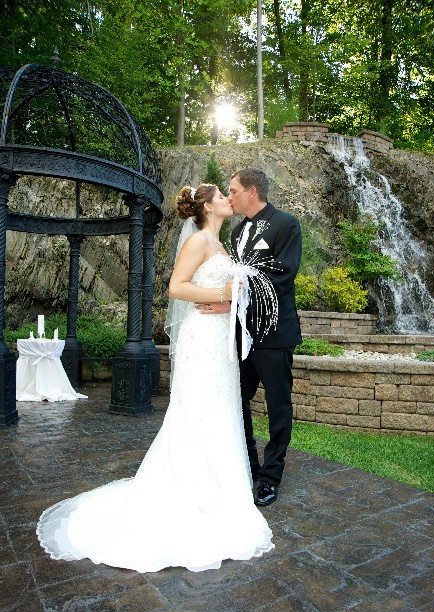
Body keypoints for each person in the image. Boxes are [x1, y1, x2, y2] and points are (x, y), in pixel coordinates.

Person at [36, 183, 273, 573]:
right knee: (197, 407)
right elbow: (176, 287)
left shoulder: (221, 243)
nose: (230, 200)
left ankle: (220, 486)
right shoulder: (198, 240)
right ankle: (191, 488)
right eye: (223, 197)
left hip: (218, 340)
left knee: (218, 408)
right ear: (208, 207)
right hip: (201, 339)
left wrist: (227, 296)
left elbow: (222, 293)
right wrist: (223, 292)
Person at [198, 169, 302, 506]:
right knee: (236, 400)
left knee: (277, 405)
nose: (229, 197)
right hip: (241, 334)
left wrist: (231, 299)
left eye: (234, 191)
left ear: (252, 191)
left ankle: (271, 478)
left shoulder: (286, 224)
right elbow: (235, 277)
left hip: (274, 332)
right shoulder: (238, 230)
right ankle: (249, 466)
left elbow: (282, 276)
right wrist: (228, 304)